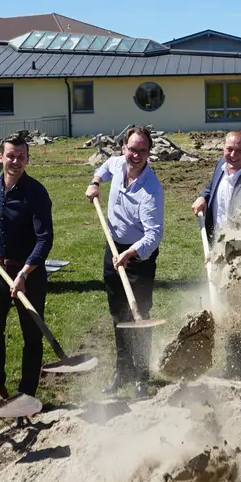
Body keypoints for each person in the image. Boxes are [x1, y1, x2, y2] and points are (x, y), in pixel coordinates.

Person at [0, 133, 55, 413]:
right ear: (1, 157)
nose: (15, 161)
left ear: (27, 159)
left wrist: (24, 273)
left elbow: (45, 238)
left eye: (21, 156)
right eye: (10, 155)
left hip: (28, 273)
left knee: (31, 335)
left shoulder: (36, 192)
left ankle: (27, 394)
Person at [87, 126, 165, 398]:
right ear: (124, 148)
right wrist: (96, 181)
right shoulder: (118, 164)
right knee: (118, 313)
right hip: (113, 247)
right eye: (132, 149)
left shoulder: (151, 190)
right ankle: (123, 371)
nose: (136, 155)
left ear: (148, 152)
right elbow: (106, 166)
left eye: (142, 151)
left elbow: (154, 234)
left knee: (139, 314)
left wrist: (131, 253)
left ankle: (142, 375)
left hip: (139, 255)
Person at [192, 130, 241, 379]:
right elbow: (210, 187)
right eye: (228, 149)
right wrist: (203, 197)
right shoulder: (220, 167)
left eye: (238, 150)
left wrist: (219, 255)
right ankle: (230, 367)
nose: (232, 154)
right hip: (219, 253)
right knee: (223, 310)